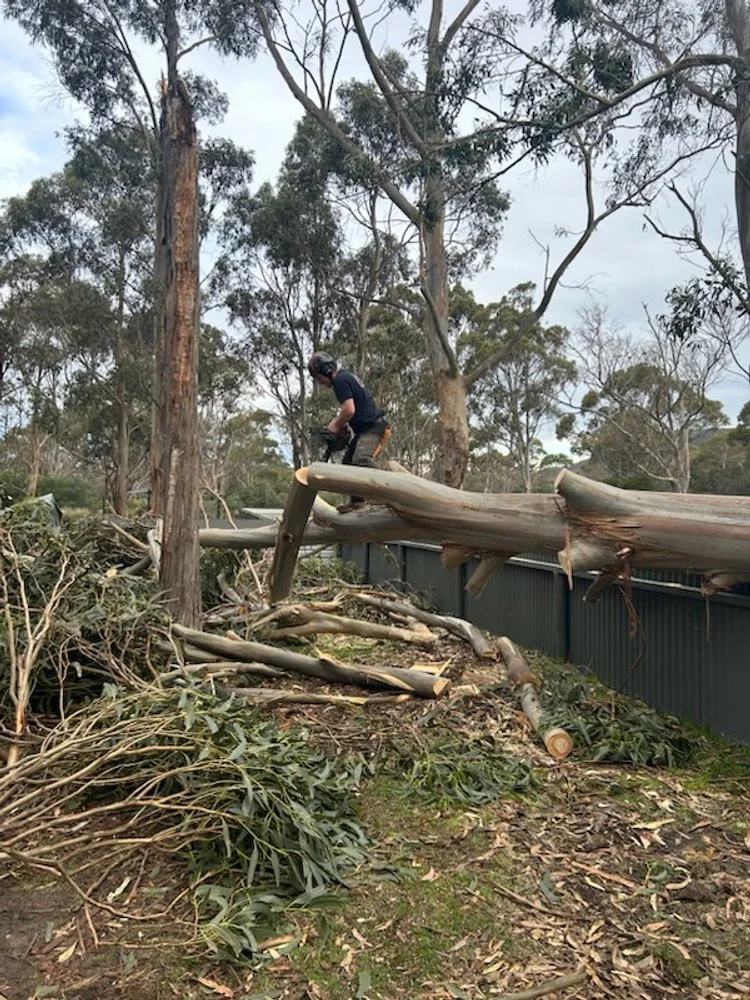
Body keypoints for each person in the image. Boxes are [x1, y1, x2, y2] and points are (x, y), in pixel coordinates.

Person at [308, 351, 390, 513]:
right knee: (347, 466)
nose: (321, 383)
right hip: (364, 430)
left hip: (374, 428)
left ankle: (390, 492)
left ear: (325, 371)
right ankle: (357, 502)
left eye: (319, 379)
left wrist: (334, 425)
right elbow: (354, 410)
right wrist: (343, 426)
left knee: (361, 459)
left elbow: (349, 409)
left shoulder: (340, 381)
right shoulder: (345, 377)